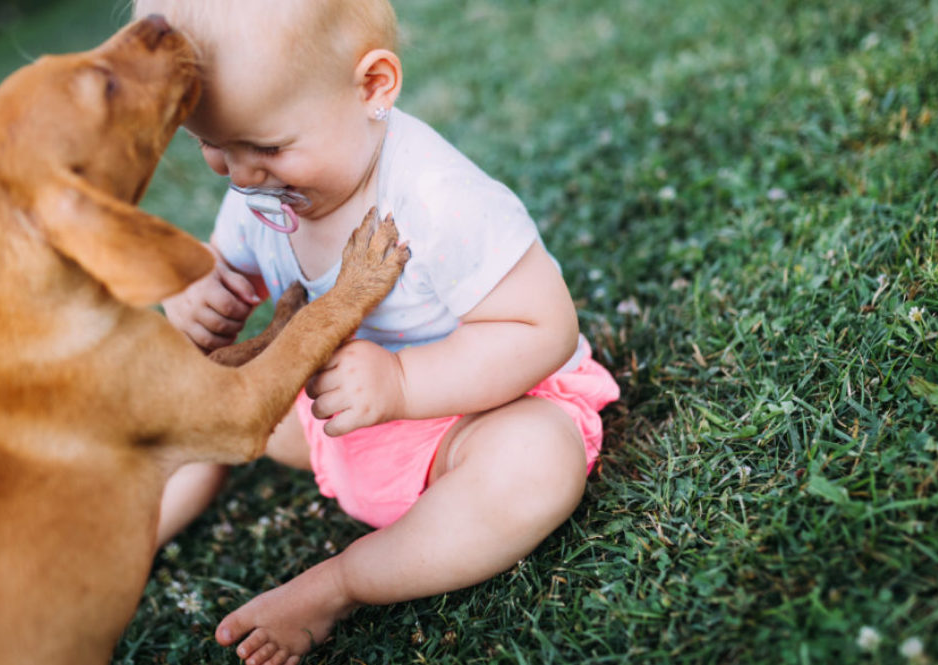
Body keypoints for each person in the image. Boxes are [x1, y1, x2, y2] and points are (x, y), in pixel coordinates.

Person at [134, 1, 619, 663]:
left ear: (372, 87)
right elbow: (227, 282)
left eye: (268, 148)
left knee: (536, 458)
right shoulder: (262, 189)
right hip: (334, 423)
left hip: (462, 422)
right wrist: (196, 288)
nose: (242, 177)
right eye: (212, 146)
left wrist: (402, 382)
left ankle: (343, 581)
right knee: (196, 392)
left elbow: (544, 328)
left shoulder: (437, 196)